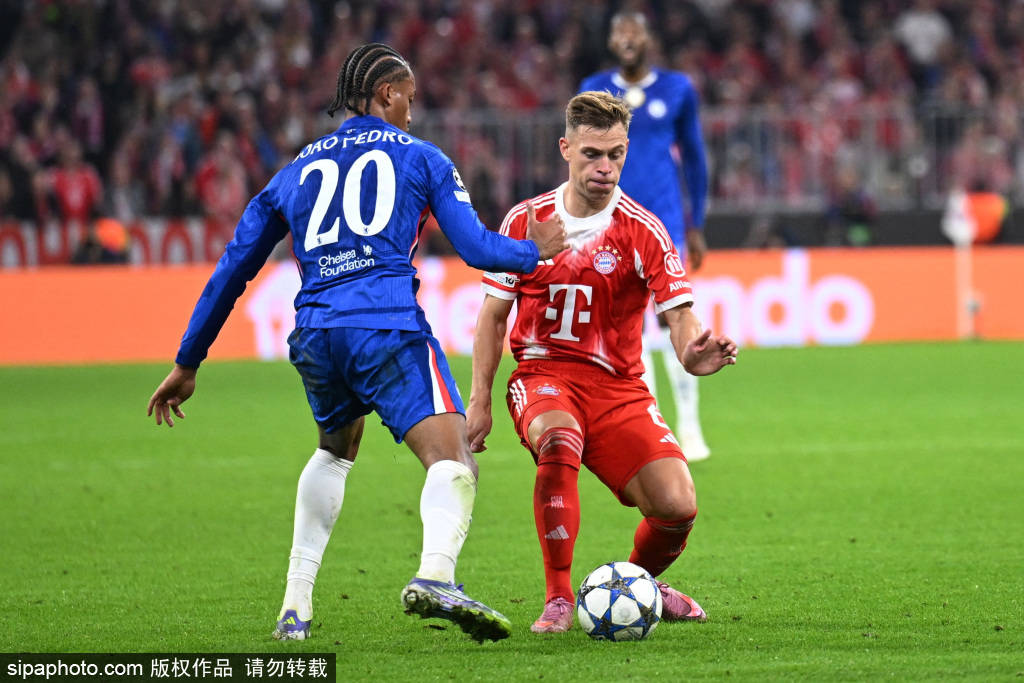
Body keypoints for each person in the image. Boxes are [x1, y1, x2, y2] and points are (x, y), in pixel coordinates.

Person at [147, 43, 568, 643]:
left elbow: (233, 267)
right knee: (454, 460)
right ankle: (436, 576)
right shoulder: (422, 157)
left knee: (335, 451)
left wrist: (188, 360)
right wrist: (534, 249)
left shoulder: (293, 171)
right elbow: (477, 248)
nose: (412, 114)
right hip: (386, 324)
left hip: (316, 334)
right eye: (409, 100)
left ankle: (295, 608)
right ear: (386, 94)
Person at [466, 91, 736, 634]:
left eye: (615, 154)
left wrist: (690, 352)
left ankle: (635, 586)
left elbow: (679, 315)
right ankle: (559, 598)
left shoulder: (644, 229)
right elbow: (493, 318)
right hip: (543, 377)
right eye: (592, 154)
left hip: (618, 390)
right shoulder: (527, 221)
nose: (605, 167)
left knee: (677, 506)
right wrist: (479, 401)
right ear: (566, 149)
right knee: (558, 438)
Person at [580, 10, 713, 461]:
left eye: (634, 31)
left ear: (648, 38)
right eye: (620, 32)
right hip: (610, 224)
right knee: (629, 329)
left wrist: (697, 223)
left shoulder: (677, 89)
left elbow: (694, 158)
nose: (627, 39)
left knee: (674, 318)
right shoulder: (594, 88)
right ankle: (655, 424)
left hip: (665, 223)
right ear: (611, 41)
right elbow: (580, 158)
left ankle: (690, 425)